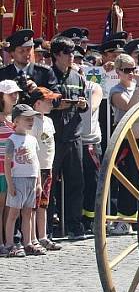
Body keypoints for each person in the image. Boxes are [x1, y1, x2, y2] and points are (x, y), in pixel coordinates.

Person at [109, 54, 139, 233]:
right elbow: (130, 108)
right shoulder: (116, 91)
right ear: (118, 72)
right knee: (129, 180)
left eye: (134, 69)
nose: (132, 73)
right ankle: (126, 219)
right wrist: (138, 86)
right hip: (128, 141)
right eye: (127, 70)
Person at [50, 36, 90, 240]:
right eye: (68, 53)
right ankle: (48, 226)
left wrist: (80, 104)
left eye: (73, 52)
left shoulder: (78, 77)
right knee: (49, 183)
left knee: (76, 182)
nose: (72, 56)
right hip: (53, 137)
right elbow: (53, 104)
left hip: (74, 135)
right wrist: (70, 103)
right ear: (57, 55)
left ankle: (75, 225)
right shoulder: (48, 75)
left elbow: (85, 104)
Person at [3, 104, 43, 257]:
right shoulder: (12, 140)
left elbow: (36, 162)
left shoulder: (32, 139)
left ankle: (28, 243)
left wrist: (39, 182)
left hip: (31, 180)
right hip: (17, 179)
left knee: (28, 213)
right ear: (16, 120)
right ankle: (9, 244)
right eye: (27, 119)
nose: (31, 121)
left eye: (32, 119)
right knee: (13, 213)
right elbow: (7, 163)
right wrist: (10, 183)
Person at [28, 87, 61, 251]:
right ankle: (32, 238)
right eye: (48, 101)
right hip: (35, 169)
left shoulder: (49, 121)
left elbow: (50, 145)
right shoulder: (32, 121)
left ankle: (43, 236)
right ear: (38, 103)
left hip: (48, 167)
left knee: (43, 204)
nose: (51, 103)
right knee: (32, 205)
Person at [0, 29, 58, 102]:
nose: (26, 54)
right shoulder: (3, 73)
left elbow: (57, 99)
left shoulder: (44, 72)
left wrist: (39, 91)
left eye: (28, 50)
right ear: (12, 53)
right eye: (21, 51)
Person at [78, 75, 104, 229]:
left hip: (90, 141)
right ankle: (76, 217)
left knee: (92, 181)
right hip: (73, 140)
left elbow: (92, 106)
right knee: (76, 182)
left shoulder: (93, 87)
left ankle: (91, 218)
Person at [0, 80, 20, 254]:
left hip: (14, 168)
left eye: (16, 93)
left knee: (9, 206)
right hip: (0, 168)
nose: (14, 96)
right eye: (10, 93)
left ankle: (8, 241)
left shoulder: (15, 116)